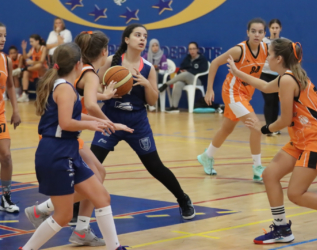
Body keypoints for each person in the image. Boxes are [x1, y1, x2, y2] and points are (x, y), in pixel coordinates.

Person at [227, 38, 317, 247]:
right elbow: (265, 86)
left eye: (269, 54)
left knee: (295, 193)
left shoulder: (287, 80)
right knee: (269, 175)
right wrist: (238, 74)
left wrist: (263, 128)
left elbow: (284, 120)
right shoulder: (287, 76)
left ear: (279, 58)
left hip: (316, 139)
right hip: (302, 139)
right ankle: (282, 227)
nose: (266, 58)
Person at [24, 31, 133, 247]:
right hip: (56, 152)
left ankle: (115, 246)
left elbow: (76, 114)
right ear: (77, 64)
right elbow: (66, 123)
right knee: (63, 216)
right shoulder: (64, 88)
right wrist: (93, 123)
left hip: (68, 149)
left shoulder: (68, 86)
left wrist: (108, 123)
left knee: (102, 197)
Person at [90, 23, 196, 220]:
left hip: (136, 122)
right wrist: (104, 94)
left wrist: (147, 84)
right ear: (127, 39)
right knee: (92, 166)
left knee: (155, 166)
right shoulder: (111, 63)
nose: (142, 39)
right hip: (110, 118)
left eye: (145, 36)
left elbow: (153, 101)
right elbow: (91, 91)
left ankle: (183, 199)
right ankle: (78, 209)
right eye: (137, 35)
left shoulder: (148, 69)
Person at [197, 18, 267, 177]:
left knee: (227, 128)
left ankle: (206, 156)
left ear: (264, 34)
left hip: (246, 94)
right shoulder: (239, 50)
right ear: (247, 32)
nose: (257, 34)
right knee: (256, 127)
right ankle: (257, 169)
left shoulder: (265, 48)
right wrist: (209, 90)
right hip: (232, 93)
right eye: (253, 31)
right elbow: (214, 62)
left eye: (260, 32)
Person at [0, 22, 21, 214]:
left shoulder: (5, 59)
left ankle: (5, 197)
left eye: (4, 35)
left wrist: (15, 110)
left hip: (0, 115)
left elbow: (10, 87)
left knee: (5, 156)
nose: (3, 39)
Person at [158, 42, 208, 113]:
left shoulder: (202, 59)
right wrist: (181, 72)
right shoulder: (187, 58)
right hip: (185, 79)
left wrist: (188, 71)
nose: (192, 51)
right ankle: (174, 107)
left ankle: (166, 84)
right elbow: (180, 69)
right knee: (178, 83)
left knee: (186, 74)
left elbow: (203, 70)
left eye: (194, 49)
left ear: (197, 49)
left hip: (196, 80)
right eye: (190, 49)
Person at [261, 19, 284, 136]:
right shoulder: (263, 42)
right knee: (269, 100)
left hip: (279, 75)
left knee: (276, 101)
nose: (274, 30)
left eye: (277, 28)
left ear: (280, 29)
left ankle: (275, 127)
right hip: (265, 74)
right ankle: (269, 127)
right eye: (272, 28)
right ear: (269, 29)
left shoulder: (284, 42)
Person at [18, 34, 48, 102]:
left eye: (32, 41)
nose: (30, 43)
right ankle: (25, 94)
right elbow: (25, 57)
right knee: (25, 73)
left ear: (37, 41)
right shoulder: (32, 49)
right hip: (34, 69)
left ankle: (22, 69)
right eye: (30, 42)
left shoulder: (43, 48)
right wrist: (24, 49)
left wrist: (32, 62)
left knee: (39, 65)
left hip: (43, 70)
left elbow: (42, 61)